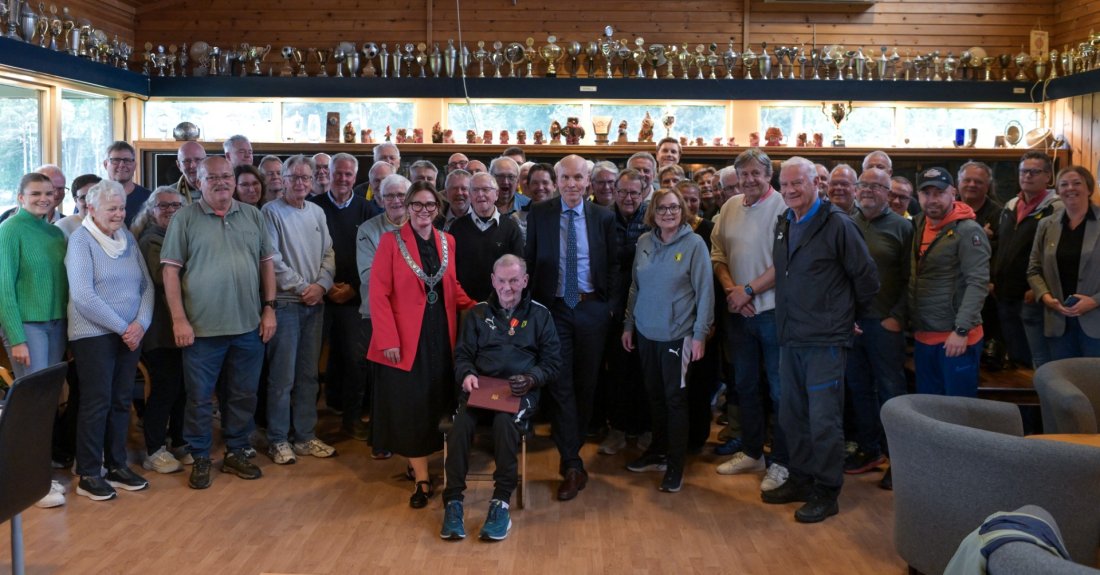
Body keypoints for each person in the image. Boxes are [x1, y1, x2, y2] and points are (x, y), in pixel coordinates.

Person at [764, 156, 878, 524]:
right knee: (791, 415)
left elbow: (867, 280)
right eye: (784, 184)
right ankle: (800, 478)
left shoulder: (838, 225)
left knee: (824, 420)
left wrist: (850, 319)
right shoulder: (785, 221)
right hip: (790, 335)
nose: (790, 190)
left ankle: (827, 492)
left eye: (798, 183)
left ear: (817, 184)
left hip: (826, 340)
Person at [161, 156, 277, 490]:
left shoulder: (252, 215)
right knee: (198, 398)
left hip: (247, 326)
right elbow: (170, 271)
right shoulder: (184, 218)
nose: (222, 182)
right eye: (213, 177)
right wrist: (179, 320)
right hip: (201, 330)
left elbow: (267, 265)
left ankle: (237, 452)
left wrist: (269, 309)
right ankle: (200, 457)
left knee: (242, 395)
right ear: (198, 181)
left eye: (227, 176)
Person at [368, 182, 475, 508]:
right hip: (403, 339)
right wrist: (387, 339)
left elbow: (450, 286)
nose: (423, 210)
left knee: (436, 402)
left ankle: (427, 463)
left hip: (441, 336)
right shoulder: (390, 241)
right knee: (411, 407)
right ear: (407, 205)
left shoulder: (448, 241)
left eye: (430, 205)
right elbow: (378, 292)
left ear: (437, 208)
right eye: (417, 204)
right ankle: (423, 479)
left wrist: (477, 307)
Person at [440, 255, 561, 541]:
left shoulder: (541, 314)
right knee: (461, 425)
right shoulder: (476, 314)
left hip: (519, 392)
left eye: (514, 280)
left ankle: (501, 503)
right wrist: (467, 374)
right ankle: (454, 502)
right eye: (502, 281)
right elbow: (463, 356)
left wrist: (531, 378)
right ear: (493, 281)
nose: (508, 287)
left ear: (525, 281)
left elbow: (553, 362)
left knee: (505, 423)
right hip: (480, 389)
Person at [524, 154, 620, 502]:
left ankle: (573, 451)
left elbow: (612, 265)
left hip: (592, 308)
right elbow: (531, 262)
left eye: (579, 178)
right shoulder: (540, 213)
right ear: (556, 179)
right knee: (560, 382)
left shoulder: (603, 218)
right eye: (565, 177)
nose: (572, 184)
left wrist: (608, 309)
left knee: (586, 384)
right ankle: (572, 462)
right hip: (554, 309)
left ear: (588, 182)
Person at [66, 179, 154, 500]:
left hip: (130, 334)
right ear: (91, 209)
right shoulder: (81, 241)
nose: (118, 214)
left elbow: (146, 286)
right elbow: (84, 296)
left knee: (121, 401)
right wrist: (124, 327)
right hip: (94, 334)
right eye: (111, 208)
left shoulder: (127, 238)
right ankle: (90, 472)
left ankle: (117, 465)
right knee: (96, 402)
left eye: (121, 208)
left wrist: (140, 324)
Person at [622, 187, 713, 493]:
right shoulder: (645, 241)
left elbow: (705, 293)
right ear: (653, 213)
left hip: (678, 335)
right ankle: (657, 450)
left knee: (675, 401)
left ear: (683, 210)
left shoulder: (695, 244)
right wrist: (628, 325)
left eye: (674, 208)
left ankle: (675, 465)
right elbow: (636, 287)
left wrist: (700, 334)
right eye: (662, 208)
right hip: (647, 332)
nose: (669, 213)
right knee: (654, 395)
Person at [710, 148, 791, 493]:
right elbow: (718, 254)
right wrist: (733, 291)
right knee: (745, 386)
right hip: (739, 314)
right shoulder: (729, 207)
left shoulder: (783, 207)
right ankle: (753, 452)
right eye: (743, 175)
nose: (749, 180)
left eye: (756, 173)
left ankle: (783, 462)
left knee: (779, 390)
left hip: (772, 312)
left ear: (768, 175)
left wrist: (748, 290)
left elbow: (785, 260)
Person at [262, 155, 337, 464]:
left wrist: (321, 285)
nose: (301, 183)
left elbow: (329, 252)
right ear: (284, 179)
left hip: (315, 304)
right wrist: (302, 287)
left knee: (307, 375)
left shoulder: (317, 212)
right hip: (287, 304)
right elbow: (271, 258)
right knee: (282, 377)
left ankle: (305, 436)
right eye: (295, 177)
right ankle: (278, 439)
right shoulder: (271, 212)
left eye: (307, 178)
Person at [0, 172, 69, 508]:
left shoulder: (54, 233)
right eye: (36, 193)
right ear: (20, 196)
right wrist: (16, 338)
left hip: (56, 325)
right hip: (27, 327)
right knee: (32, 404)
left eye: (49, 192)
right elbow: (3, 289)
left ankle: (41, 474)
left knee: (48, 403)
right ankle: (30, 483)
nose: (44, 198)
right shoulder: (10, 230)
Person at [845, 168, 913, 488]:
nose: (869, 190)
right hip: (852, 324)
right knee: (859, 389)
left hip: (885, 323)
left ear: (889, 192)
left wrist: (897, 316)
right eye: (864, 185)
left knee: (891, 392)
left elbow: (912, 278)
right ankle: (869, 450)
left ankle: (899, 460)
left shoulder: (903, 228)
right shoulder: (846, 222)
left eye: (877, 186)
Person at [309, 152, 376, 439]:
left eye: (349, 174)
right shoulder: (312, 207)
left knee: (354, 360)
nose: (343, 178)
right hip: (316, 296)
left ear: (356, 176)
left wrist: (353, 286)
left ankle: (352, 419)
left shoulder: (369, 210)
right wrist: (324, 286)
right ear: (328, 174)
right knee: (308, 362)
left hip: (354, 297)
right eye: (338, 173)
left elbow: (375, 255)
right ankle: (305, 423)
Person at [909, 167, 990, 397]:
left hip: (956, 339)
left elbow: (978, 283)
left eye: (939, 193)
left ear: (952, 193)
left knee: (959, 414)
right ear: (918, 196)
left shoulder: (968, 231)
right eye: (926, 193)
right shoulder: (916, 226)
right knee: (929, 412)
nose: (932, 199)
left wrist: (961, 330)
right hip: (924, 336)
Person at [133, 187, 191, 474]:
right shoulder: (150, 240)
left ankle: (179, 441)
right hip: (159, 331)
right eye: (163, 206)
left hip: (182, 329)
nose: (170, 210)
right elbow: (163, 277)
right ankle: (154, 449)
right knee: (165, 389)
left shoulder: (179, 237)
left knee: (182, 389)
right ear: (151, 211)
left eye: (176, 205)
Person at [356, 174, 411, 459]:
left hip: (414, 317)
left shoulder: (423, 227)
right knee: (381, 381)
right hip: (376, 315)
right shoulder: (368, 230)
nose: (396, 200)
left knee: (409, 380)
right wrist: (408, 278)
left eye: (401, 194)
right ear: (379, 199)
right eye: (389, 196)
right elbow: (368, 276)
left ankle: (409, 436)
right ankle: (382, 438)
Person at [598, 168, 650, 456]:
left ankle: (644, 428)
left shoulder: (653, 218)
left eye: (634, 192)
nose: (628, 197)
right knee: (616, 372)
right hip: (612, 306)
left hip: (648, 304)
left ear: (643, 193)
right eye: (623, 192)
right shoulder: (602, 218)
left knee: (644, 371)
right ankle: (617, 429)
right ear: (613, 193)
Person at [994, 151, 1060, 369]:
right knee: (1015, 358)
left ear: (1048, 177)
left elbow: (1056, 256)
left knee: (1038, 359)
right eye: (1024, 171)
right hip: (1005, 293)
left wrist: (1040, 289)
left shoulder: (1056, 209)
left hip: (1033, 296)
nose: (1028, 176)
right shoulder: (1010, 206)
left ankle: (1040, 401)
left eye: (1035, 172)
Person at [1028, 166, 1100, 360]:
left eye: (1077, 183)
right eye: (1064, 184)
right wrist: (1045, 297)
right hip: (1058, 320)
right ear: (1058, 191)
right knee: (1064, 383)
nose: (1070, 188)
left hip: (1096, 322)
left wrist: (1094, 301)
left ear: (1089, 189)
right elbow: (1033, 270)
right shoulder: (1046, 225)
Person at [449, 172, 524, 302]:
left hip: (502, 304)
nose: (480, 195)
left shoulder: (511, 228)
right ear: (470, 196)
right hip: (465, 306)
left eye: (485, 189)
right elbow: (451, 272)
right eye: (475, 190)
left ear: (496, 194)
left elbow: (518, 270)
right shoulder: (457, 227)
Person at [102, 141, 151, 227]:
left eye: (127, 160)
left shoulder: (149, 198)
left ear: (135, 165)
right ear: (106, 164)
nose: (121, 165)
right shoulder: (92, 197)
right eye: (115, 160)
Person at [56, 174, 102, 240]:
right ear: (75, 201)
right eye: (83, 197)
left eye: (95, 196)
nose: (90, 202)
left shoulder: (114, 224)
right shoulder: (62, 226)